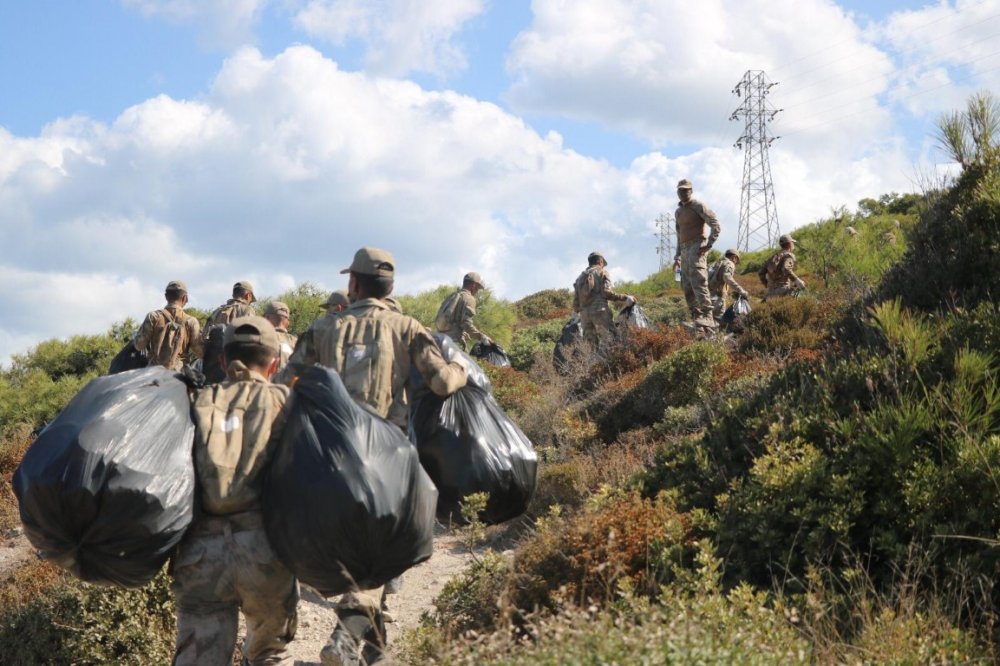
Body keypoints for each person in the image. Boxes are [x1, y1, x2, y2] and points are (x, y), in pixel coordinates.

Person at [314, 247, 468, 666]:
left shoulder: (324, 327)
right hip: (385, 455)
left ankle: (374, 648)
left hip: (331, 456)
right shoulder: (406, 327)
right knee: (381, 550)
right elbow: (439, 382)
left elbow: (292, 379)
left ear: (353, 284)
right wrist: (462, 371)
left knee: (361, 547)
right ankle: (346, 635)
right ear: (391, 288)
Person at [172, 316, 298, 665]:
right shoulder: (287, 404)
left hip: (200, 556)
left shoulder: (193, 400)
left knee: (198, 657)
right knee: (268, 654)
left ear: (223, 361)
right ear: (274, 364)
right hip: (266, 553)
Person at [672, 179, 721, 333]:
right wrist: (677, 257)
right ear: (677, 192)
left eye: (686, 190)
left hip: (697, 246)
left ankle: (708, 316)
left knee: (699, 281)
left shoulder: (698, 206)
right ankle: (696, 317)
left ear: (691, 191)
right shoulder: (678, 212)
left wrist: (709, 244)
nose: (683, 193)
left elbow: (715, 224)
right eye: (680, 190)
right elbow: (679, 236)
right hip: (685, 251)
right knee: (686, 285)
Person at [134, 280, 202, 370]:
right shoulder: (191, 321)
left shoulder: (153, 316)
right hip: (179, 372)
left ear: (166, 296)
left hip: (153, 371)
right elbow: (199, 352)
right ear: (185, 298)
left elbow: (139, 346)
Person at [572, 251, 634, 351]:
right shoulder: (602, 272)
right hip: (600, 312)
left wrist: (576, 312)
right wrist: (625, 297)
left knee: (590, 348)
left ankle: (593, 366)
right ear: (600, 261)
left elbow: (576, 301)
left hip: (584, 317)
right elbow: (606, 292)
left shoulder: (580, 278)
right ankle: (616, 365)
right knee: (612, 341)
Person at [434, 272, 492, 350]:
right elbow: (466, 324)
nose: (477, 291)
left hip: (438, 339)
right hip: (453, 343)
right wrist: (481, 336)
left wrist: (462, 332)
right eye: (478, 288)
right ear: (473, 285)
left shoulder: (452, 296)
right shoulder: (469, 298)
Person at [758, 234, 806, 298]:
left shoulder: (773, 256)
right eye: (792, 243)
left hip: (770, 293)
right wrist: (797, 280)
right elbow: (786, 269)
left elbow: (760, 272)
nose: (793, 245)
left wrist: (766, 284)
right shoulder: (788, 255)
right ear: (789, 244)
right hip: (783, 291)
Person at [709, 249, 749, 322]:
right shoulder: (730, 263)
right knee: (718, 320)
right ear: (734, 257)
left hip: (708, 294)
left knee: (708, 318)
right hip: (718, 297)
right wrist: (741, 290)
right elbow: (727, 277)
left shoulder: (717, 262)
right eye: (736, 260)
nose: (736, 262)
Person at [263, 301, 298, 374]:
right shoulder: (297, 342)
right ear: (288, 323)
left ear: (266, 318)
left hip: (263, 384)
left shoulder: (258, 338)